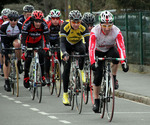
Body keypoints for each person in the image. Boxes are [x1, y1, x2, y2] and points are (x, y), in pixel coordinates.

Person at [89, 10, 129, 113]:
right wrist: (93, 62)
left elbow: (121, 47)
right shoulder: (94, 31)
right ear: (100, 24)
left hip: (110, 49)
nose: (107, 28)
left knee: (116, 55)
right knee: (97, 76)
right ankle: (97, 101)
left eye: (109, 26)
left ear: (112, 24)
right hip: (98, 51)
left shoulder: (116, 31)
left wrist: (124, 62)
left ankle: (114, 77)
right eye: (104, 25)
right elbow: (91, 48)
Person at [60, 10, 90, 105]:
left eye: (78, 22)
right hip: (67, 46)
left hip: (77, 43)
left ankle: (81, 70)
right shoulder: (65, 26)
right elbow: (62, 43)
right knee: (67, 68)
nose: (76, 24)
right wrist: (64, 53)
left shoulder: (83, 26)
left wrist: (90, 53)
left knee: (83, 49)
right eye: (74, 22)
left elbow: (88, 42)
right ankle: (65, 94)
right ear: (70, 21)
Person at [21, 10, 50, 88]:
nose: (38, 23)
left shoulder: (44, 24)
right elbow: (23, 36)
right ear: (33, 20)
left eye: (39, 22)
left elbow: (47, 36)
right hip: (28, 41)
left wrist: (47, 47)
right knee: (28, 59)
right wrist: (23, 47)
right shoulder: (27, 23)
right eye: (36, 21)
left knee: (42, 55)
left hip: (38, 41)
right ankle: (26, 77)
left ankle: (43, 76)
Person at [0, 10, 23, 92]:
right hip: (6, 40)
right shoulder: (4, 26)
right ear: (8, 20)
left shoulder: (20, 25)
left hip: (15, 39)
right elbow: (2, 40)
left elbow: (23, 37)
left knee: (17, 45)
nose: (13, 22)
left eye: (15, 20)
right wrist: (5, 51)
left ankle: (19, 62)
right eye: (11, 20)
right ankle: (6, 80)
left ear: (17, 20)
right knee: (6, 60)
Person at [45, 9, 63, 83]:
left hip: (57, 40)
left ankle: (58, 69)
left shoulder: (62, 24)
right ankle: (47, 75)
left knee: (59, 53)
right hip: (48, 40)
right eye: (53, 18)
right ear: (51, 18)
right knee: (47, 55)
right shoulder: (47, 24)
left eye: (57, 18)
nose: (55, 20)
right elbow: (44, 36)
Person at [0, 8, 11, 76]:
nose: (6, 19)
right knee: (1, 52)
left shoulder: (11, 21)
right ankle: (1, 65)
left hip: (9, 36)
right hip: (1, 37)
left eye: (7, 18)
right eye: (5, 18)